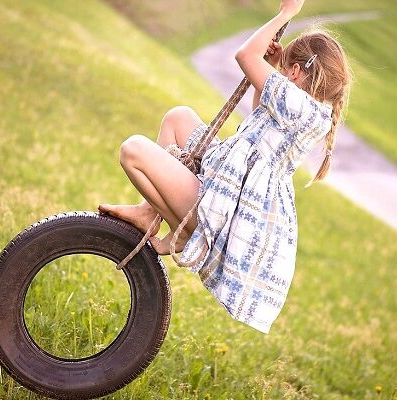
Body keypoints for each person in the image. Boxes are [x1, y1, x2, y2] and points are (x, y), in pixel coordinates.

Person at [99, 0, 351, 333]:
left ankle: (186, 233)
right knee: (179, 118)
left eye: (287, 67)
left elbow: (244, 56)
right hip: (224, 186)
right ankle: (150, 214)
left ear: (296, 72)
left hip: (223, 209)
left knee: (133, 150)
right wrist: (275, 66)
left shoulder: (300, 106)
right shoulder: (305, 109)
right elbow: (258, 111)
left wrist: (285, 14)